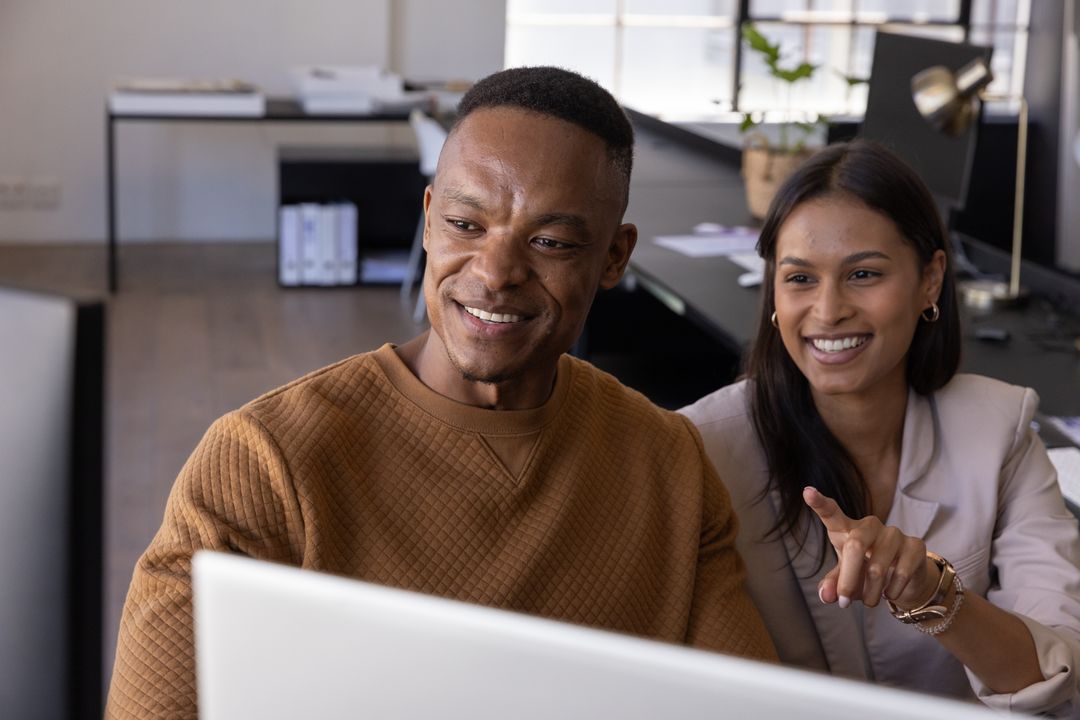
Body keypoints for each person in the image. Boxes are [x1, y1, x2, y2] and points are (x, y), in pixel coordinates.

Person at [105, 66, 776, 719]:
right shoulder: (263, 465)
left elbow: (754, 706)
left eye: (548, 241)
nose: (496, 272)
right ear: (428, 219)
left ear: (613, 258)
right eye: (466, 225)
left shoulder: (668, 465)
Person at [681, 139, 1080, 716]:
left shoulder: (1000, 429)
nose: (827, 310)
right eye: (799, 279)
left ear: (930, 280)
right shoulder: (699, 447)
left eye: (863, 273)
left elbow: (1059, 675)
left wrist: (933, 596)